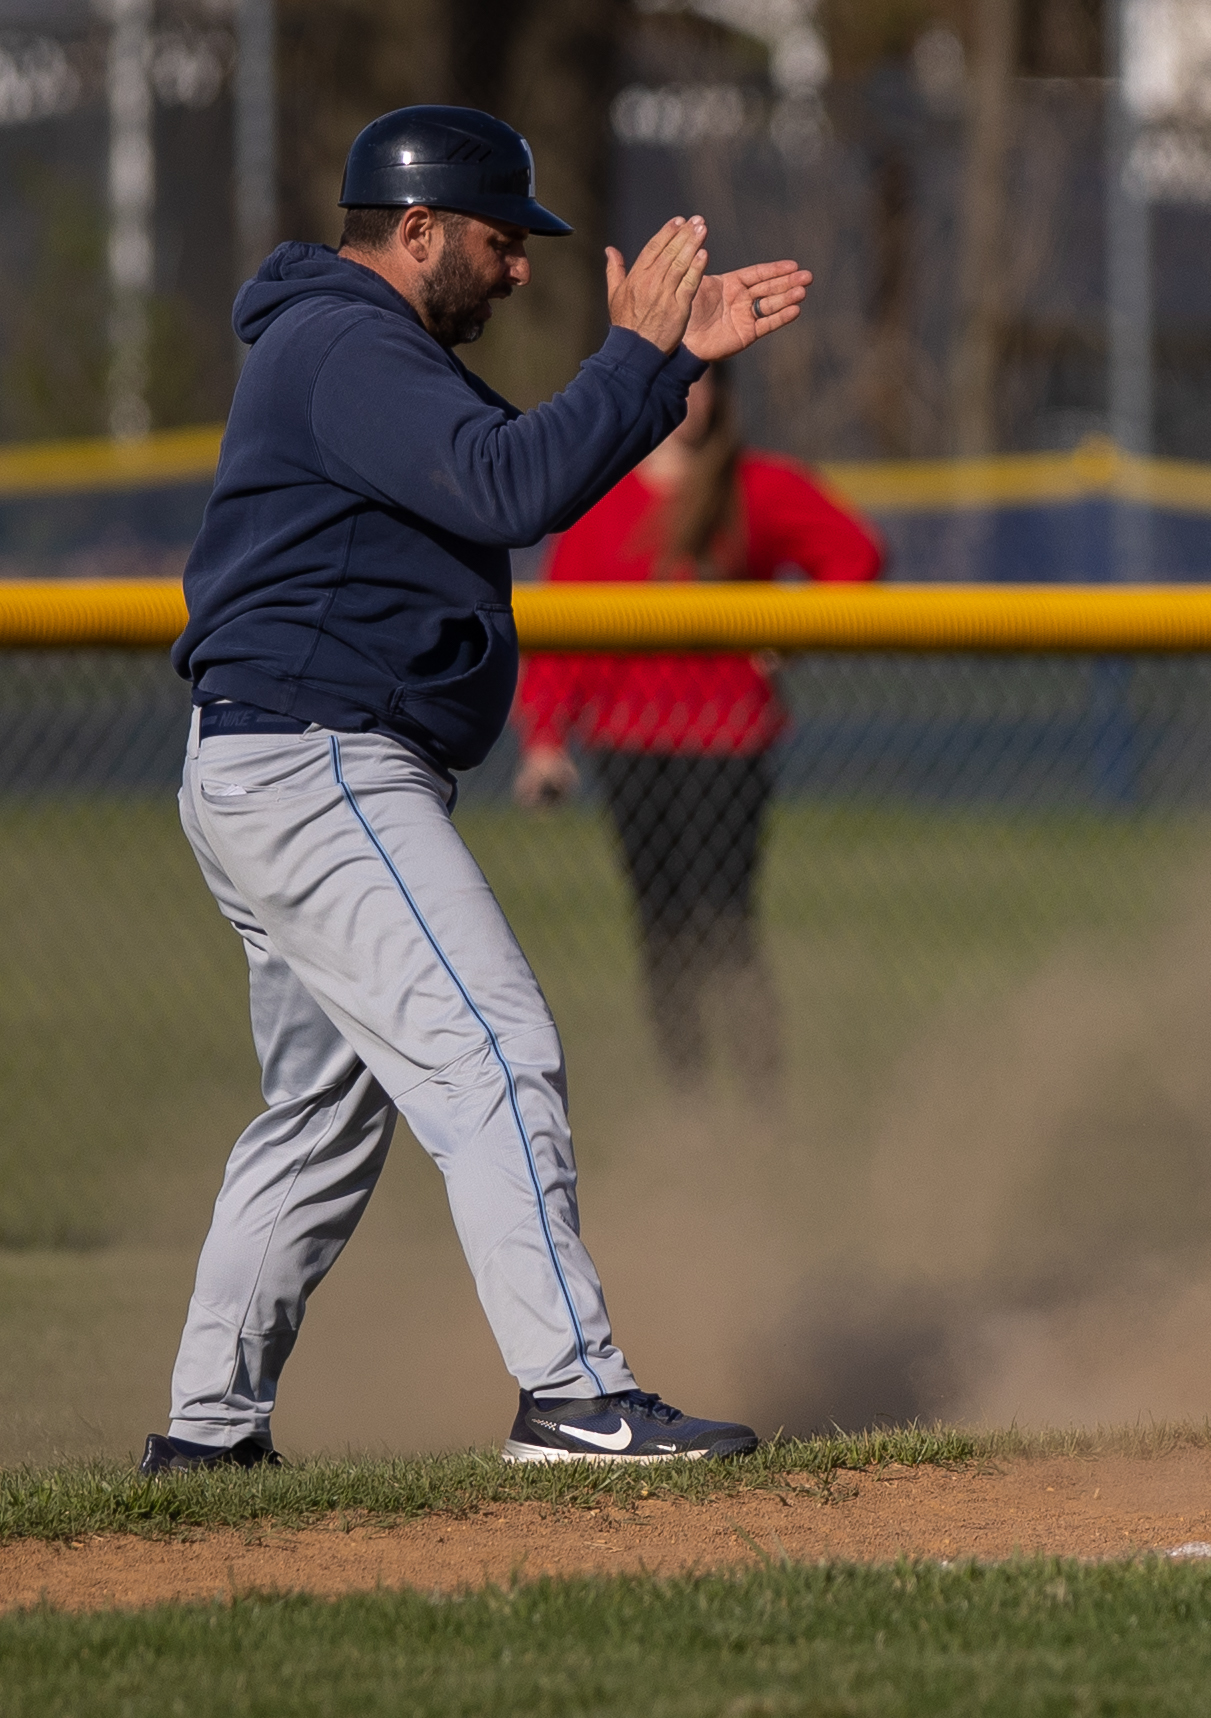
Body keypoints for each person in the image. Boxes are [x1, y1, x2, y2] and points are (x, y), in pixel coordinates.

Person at [151, 105, 812, 1474]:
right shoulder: (349, 342)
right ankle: (573, 1394)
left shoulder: (353, 344)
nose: (518, 271)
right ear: (417, 231)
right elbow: (514, 486)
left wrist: (665, 363)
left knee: (322, 1115)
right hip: (320, 756)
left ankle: (207, 1437)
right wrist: (637, 350)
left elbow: (536, 471)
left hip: (281, 757)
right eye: (500, 243)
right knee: (495, 1048)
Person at [513, 364, 884, 1096]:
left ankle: (758, 1099)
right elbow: (562, 633)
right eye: (680, 378)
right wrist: (546, 741)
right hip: (629, 743)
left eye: (707, 381)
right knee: (661, 928)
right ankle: (688, 1101)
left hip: (727, 741)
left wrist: (794, 628)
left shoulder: (755, 487)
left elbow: (856, 555)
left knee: (723, 924)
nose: (694, 397)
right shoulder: (601, 495)